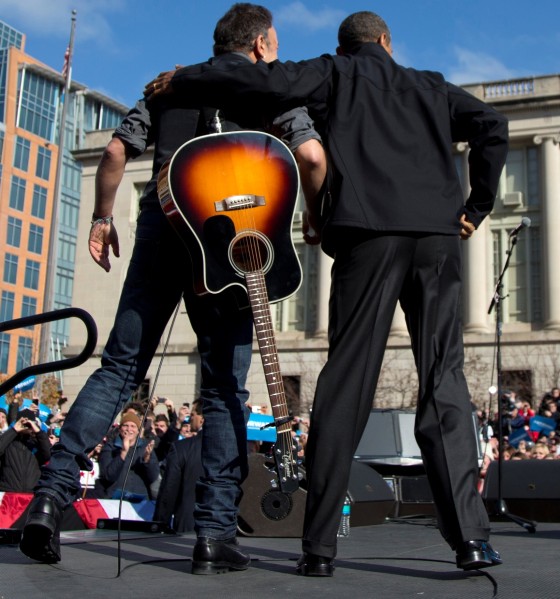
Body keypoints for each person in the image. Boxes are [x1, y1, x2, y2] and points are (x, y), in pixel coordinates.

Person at [147, 10, 509, 576]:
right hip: (437, 240)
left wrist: (185, 77)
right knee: (444, 378)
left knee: (348, 379)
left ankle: (318, 548)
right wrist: (476, 206)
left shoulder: (332, 74)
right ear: (387, 42)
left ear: (345, 48)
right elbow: (492, 125)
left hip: (368, 236)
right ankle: (469, 539)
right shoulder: (432, 85)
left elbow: (255, 79)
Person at [20, 3, 325, 574]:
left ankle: (48, 499)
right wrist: (308, 214)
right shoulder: (275, 87)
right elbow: (310, 155)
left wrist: (101, 218)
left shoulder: (168, 85)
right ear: (261, 44)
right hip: (234, 242)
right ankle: (212, 535)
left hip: (166, 224)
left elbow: (114, 153)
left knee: (119, 369)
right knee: (223, 390)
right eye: (274, 43)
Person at [153, 399, 205, 532]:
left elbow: (169, 490)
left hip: (189, 526)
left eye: (193, 415)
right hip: (227, 527)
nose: (190, 418)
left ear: (202, 419)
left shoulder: (182, 448)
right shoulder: (234, 450)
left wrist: (159, 524)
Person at [97, 413, 159, 500]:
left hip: (140, 501)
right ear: (120, 428)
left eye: (133, 426)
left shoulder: (145, 447)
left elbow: (153, 477)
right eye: (125, 425)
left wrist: (147, 458)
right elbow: (108, 476)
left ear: (138, 430)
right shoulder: (110, 447)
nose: (129, 429)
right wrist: (123, 452)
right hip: (114, 499)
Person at [0, 409, 51, 493]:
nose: (26, 426)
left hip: (30, 493)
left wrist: (38, 432)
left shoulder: (37, 443)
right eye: (24, 423)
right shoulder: (9, 441)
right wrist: (14, 430)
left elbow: (48, 454)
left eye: (29, 423)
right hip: (8, 493)